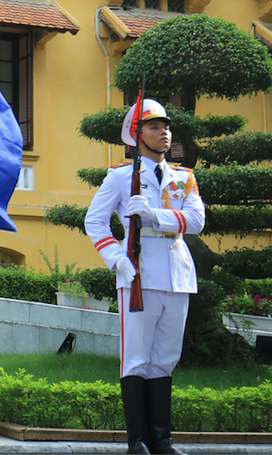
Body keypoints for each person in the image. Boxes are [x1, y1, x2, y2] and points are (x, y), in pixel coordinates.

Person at [84, 99, 205, 455]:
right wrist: (116, 258)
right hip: (138, 272)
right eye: (154, 127)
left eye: (166, 127)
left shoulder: (183, 178)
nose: (163, 133)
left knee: (165, 357)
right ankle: (137, 441)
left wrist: (154, 214)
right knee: (136, 358)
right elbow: (94, 220)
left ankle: (162, 440)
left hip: (177, 274)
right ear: (137, 135)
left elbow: (196, 221)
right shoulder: (121, 177)